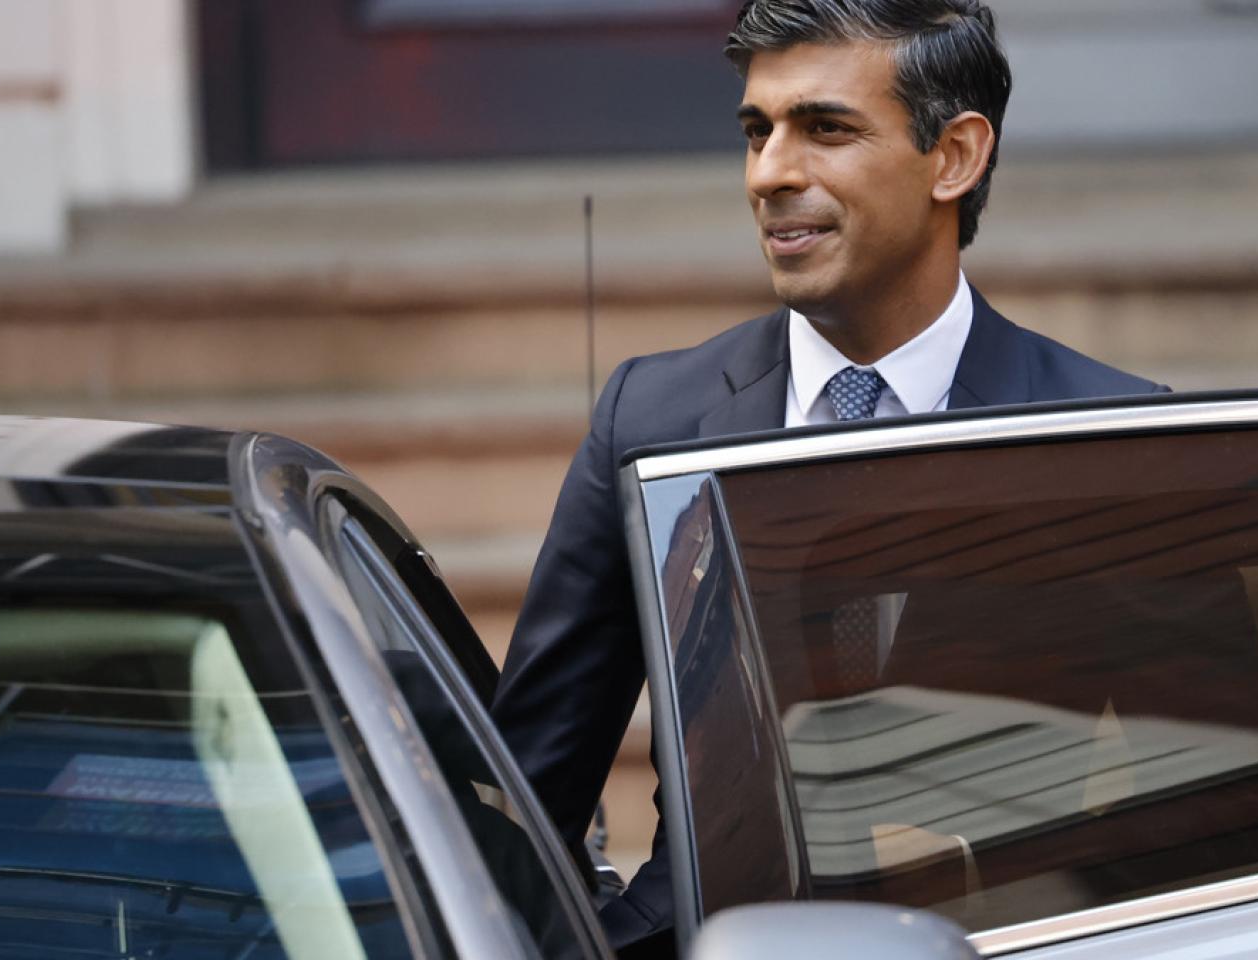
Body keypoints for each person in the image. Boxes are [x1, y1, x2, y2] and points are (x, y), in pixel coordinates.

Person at [490, 0, 1167, 952]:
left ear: (955, 157)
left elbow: (1208, 827)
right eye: (757, 131)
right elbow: (523, 798)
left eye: (825, 129)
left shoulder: (1111, 439)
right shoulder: (650, 418)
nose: (769, 173)